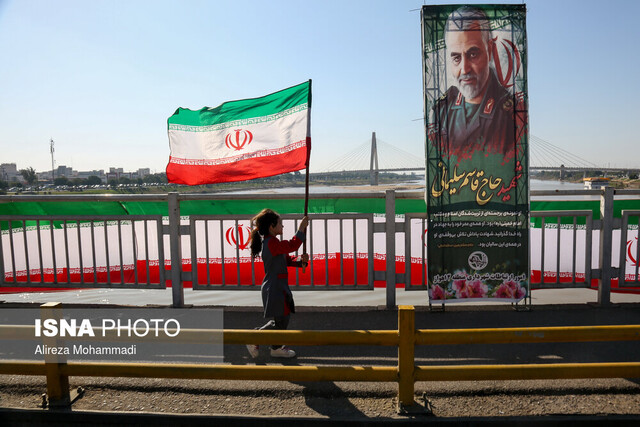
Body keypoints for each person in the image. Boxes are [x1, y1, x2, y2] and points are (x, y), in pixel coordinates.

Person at [429, 6, 523, 162]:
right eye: (456, 58)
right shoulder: (440, 112)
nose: (464, 69)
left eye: (473, 54)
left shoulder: (512, 113)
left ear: (490, 50)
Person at [246, 209, 309, 358]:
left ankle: (275, 347)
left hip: (278, 287)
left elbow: (286, 260)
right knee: (280, 321)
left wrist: (301, 262)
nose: (283, 226)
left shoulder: (273, 243)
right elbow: (292, 245)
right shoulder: (271, 243)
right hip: (275, 287)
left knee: (281, 320)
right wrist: (301, 229)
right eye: (280, 224)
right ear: (271, 227)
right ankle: (258, 339)